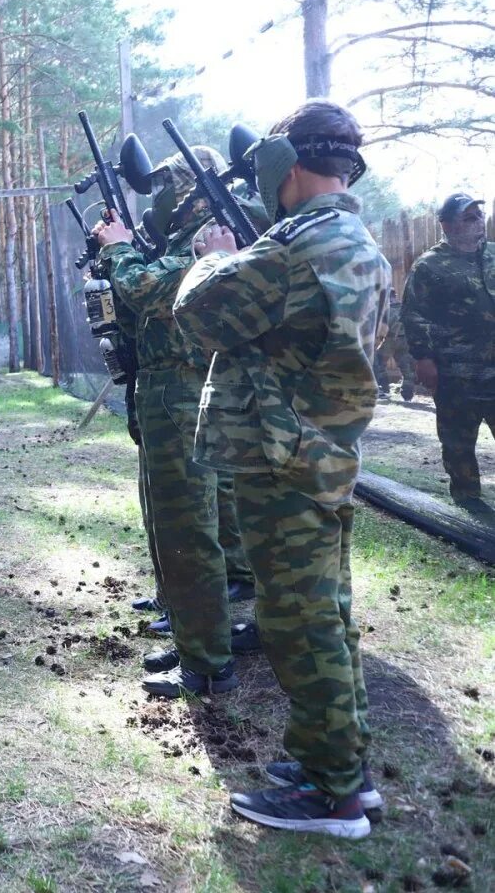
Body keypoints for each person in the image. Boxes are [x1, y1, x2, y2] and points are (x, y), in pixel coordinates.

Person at [174, 100, 387, 839]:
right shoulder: (355, 238)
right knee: (327, 615)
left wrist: (212, 253)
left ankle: (335, 800)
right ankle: (343, 763)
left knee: (298, 625)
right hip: (325, 453)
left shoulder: (297, 248)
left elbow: (200, 313)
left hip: (284, 459)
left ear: (287, 166)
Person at [91, 148, 264, 699]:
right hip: (164, 387)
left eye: (166, 184)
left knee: (189, 531)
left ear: (188, 185)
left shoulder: (211, 234)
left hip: (187, 388)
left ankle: (208, 664)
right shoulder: (177, 239)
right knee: (172, 527)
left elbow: (147, 290)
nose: (156, 194)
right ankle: (194, 639)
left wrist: (118, 252)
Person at [401, 193, 495, 512]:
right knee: (458, 444)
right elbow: (414, 314)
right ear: (446, 224)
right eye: (468, 218)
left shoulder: (494, 256)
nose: (477, 222)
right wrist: (423, 359)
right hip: (457, 374)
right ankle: (469, 504)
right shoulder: (430, 265)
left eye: (478, 216)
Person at [373, 287, 415, 402]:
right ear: (395, 296)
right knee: (407, 369)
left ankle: (383, 390)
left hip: (388, 340)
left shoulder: (384, 310)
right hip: (405, 341)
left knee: (378, 365)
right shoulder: (405, 309)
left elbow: (379, 327)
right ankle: (407, 395)